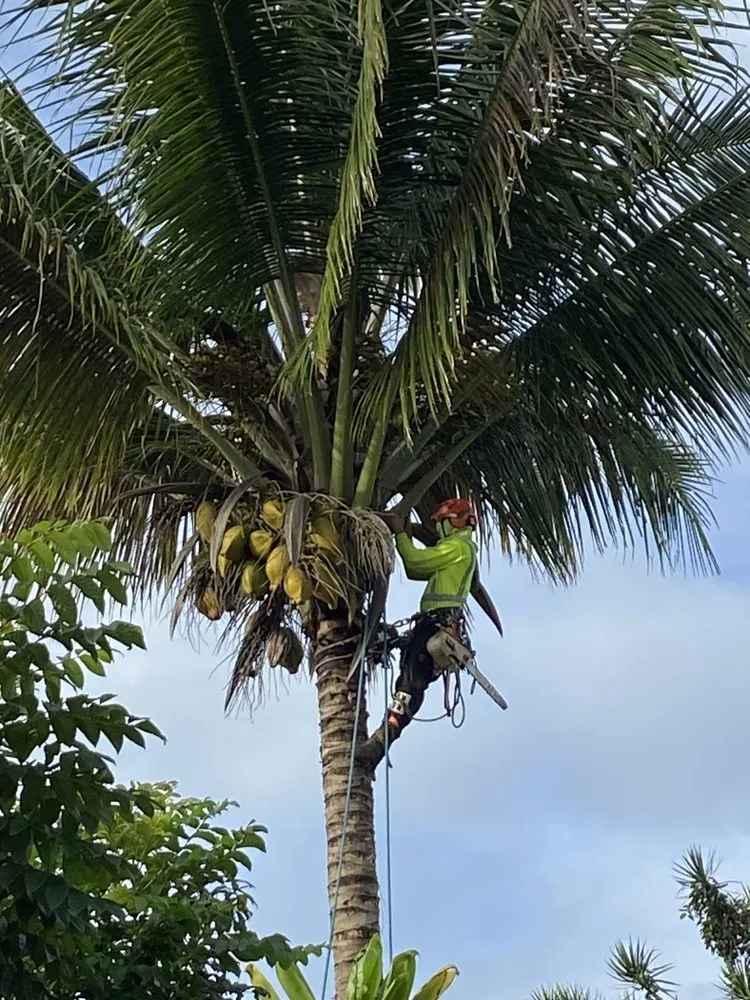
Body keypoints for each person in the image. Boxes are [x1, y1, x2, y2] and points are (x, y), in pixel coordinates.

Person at [357, 498, 478, 770]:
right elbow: (417, 569)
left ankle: (380, 743)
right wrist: (406, 535)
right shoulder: (460, 549)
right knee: (405, 671)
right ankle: (381, 740)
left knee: (411, 685)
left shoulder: (457, 547)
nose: (439, 529)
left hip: (436, 625)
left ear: (453, 522)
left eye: (441, 523)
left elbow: (414, 562)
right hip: (432, 624)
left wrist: (399, 533)